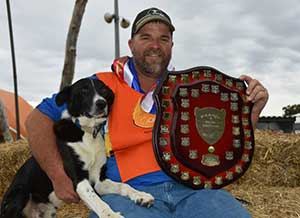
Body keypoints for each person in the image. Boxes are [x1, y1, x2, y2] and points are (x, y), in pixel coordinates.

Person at [25, 7, 269, 218]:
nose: (155, 45)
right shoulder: (99, 86)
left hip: (195, 192)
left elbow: (223, 145)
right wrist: (57, 175)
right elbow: (37, 119)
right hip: (128, 194)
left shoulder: (191, 89)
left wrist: (251, 111)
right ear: (131, 44)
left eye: (164, 39)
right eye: (146, 37)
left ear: (172, 45)